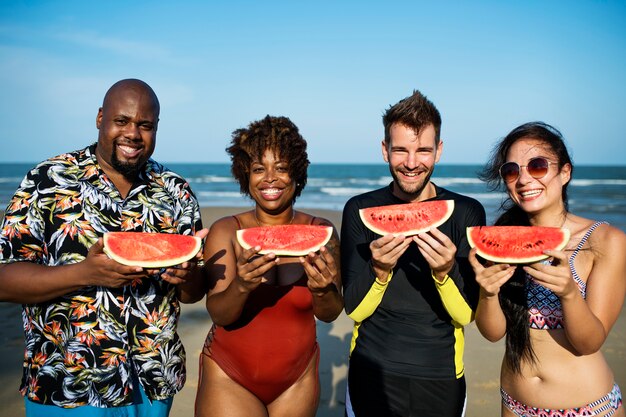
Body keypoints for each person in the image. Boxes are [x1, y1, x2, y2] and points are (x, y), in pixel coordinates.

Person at [0, 79, 207, 416]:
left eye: (145, 125)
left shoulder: (175, 191)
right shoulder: (48, 179)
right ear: (100, 118)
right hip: (67, 382)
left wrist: (186, 274)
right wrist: (84, 273)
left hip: (152, 383)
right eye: (121, 121)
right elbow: (4, 279)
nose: (133, 134)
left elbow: (192, 294)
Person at [341, 90, 486, 417]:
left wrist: (444, 273)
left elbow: (465, 316)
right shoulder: (359, 209)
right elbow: (354, 309)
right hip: (370, 370)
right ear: (384, 150)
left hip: (441, 376)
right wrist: (378, 270)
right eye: (400, 150)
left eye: (423, 150)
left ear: (439, 150)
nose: (411, 163)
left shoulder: (466, 212)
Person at [469, 122, 625, 417]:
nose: (524, 179)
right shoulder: (502, 237)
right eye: (512, 171)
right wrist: (487, 294)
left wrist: (569, 293)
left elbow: (588, 342)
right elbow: (493, 333)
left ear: (565, 172)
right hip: (514, 406)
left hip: (588, 409)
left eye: (537, 166)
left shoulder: (606, 241)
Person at [195, 115, 343, 417]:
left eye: (282, 168)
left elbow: (329, 314)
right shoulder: (226, 230)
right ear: (245, 176)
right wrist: (242, 286)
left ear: (297, 174)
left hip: (296, 380)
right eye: (258, 169)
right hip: (229, 375)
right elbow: (219, 314)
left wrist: (322, 289)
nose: (270, 179)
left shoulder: (322, 231)